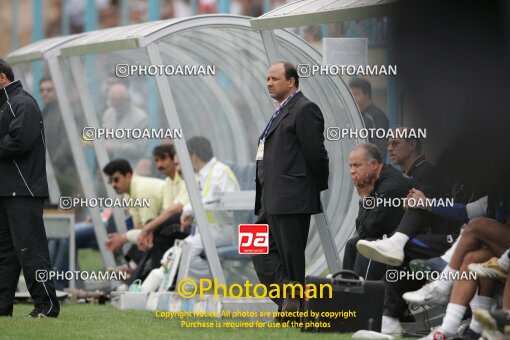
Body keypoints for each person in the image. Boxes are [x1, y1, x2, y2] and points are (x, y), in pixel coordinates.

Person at [252, 61, 329, 314]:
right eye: (267, 79)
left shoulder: (305, 109)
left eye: (274, 78)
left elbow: (316, 154)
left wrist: (308, 186)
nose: (269, 83)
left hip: (291, 196)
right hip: (271, 198)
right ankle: (290, 297)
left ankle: (294, 306)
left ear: (292, 81)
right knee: (255, 247)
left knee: (292, 257)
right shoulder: (279, 110)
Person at [0, 59, 59, 318]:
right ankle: (2, 308)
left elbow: (20, 141)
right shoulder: (7, 104)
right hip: (7, 191)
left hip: (23, 190)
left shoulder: (21, 102)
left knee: (30, 249)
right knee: (4, 253)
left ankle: (46, 305)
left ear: (2, 78)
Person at [343, 143, 411, 280]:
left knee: (368, 244)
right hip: (385, 235)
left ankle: (363, 297)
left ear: (374, 164)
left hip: (410, 240)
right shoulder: (375, 181)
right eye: (350, 166)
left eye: (357, 165)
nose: (352, 171)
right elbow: (364, 228)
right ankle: (346, 292)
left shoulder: (391, 186)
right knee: (352, 244)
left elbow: (371, 229)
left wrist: (366, 195)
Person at [178, 136, 240, 280]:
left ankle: (220, 279)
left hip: (226, 230)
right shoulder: (204, 175)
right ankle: (218, 278)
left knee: (189, 250)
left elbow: (218, 202)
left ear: (193, 157)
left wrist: (189, 209)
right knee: (180, 250)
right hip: (212, 231)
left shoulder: (220, 173)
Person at [101, 83, 149, 166]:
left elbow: (139, 148)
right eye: (112, 101)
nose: (115, 104)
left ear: (127, 100)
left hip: (129, 166)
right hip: (108, 163)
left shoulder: (140, 118)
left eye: (118, 101)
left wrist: (113, 147)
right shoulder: (108, 114)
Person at [349, 78, 389, 159]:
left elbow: (381, 147)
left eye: (356, 94)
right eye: (352, 94)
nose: (353, 98)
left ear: (366, 95)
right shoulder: (357, 115)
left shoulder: (377, 116)